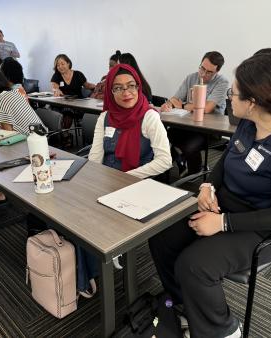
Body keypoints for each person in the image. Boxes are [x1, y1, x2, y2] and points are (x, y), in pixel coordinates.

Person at [149, 54, 271, 338]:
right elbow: (227, 159)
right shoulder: (248, 123)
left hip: (262, 226)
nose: (230, 97)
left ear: (253, 102)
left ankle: (225, 330)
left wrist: (223, 223)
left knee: (194, 265)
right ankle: (186, 305)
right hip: (227, 206)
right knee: (161, 237)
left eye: (234, 93)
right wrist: (208, 187)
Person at [83, 63, 171, 295]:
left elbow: (165, 161)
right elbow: (94, 157)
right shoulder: (105, 118)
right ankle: (87, 270)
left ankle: (90, 270)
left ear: (138, 86)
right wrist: (94, 182)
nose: (127, 92)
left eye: (131, 86)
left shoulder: (149, 117)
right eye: (118, 88)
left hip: (137, 185)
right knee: (75, 213)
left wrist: (123, 178)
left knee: (92, 219)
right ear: (110, 92)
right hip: (107, 179)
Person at [161, 51, 229, 175]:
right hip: (188, 124)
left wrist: (182, 105)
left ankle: (195, 170)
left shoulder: (222, 82)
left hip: (209, 129)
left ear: (217, 71)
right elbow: (175, 98)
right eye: (202, 68)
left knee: (190, 146)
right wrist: (168, 104)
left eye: (209, 72)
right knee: (163, 136)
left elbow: (207, 108)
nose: (203, 74)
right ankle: (180, 160)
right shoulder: (191, 77)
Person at [0, 66, 43, 135]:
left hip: (30, 139)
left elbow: (8, 134)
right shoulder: (14, 92)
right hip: (41, 134)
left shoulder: (2, 99)